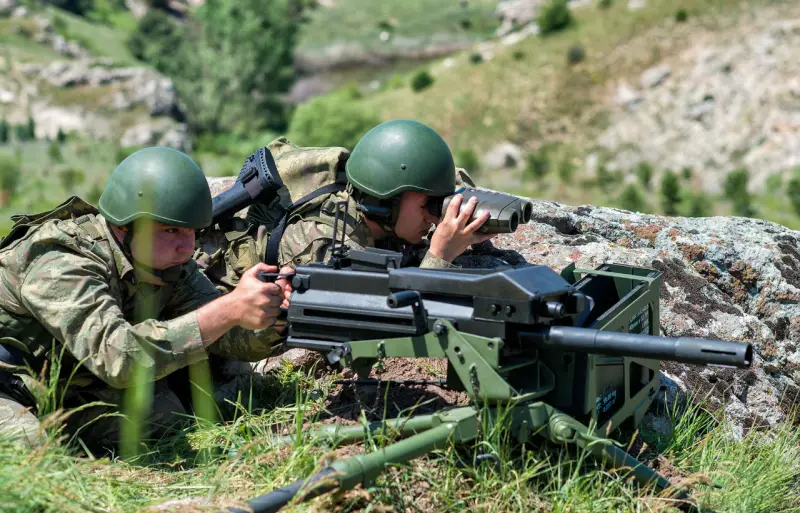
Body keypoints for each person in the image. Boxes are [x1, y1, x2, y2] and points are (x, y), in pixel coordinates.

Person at [0, 147, 286, 453]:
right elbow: (117, 358)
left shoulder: (169, 265)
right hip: (9, 379)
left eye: (193, 232)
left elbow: (226, 337)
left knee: (162, 418)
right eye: (171, 230)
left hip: (69, 382)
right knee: (28, 448)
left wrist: (274, 314)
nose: (187, 247)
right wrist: (229, 308)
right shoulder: (61, 259)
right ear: (124, 227)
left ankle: (65, 444)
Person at [197, 119, 494, 302]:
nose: (433, 217)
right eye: (428, 205)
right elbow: (383, 319)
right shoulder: (324, 245)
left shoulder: (379, 217)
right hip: (211, 294)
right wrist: (440, 255)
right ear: (386, 200)